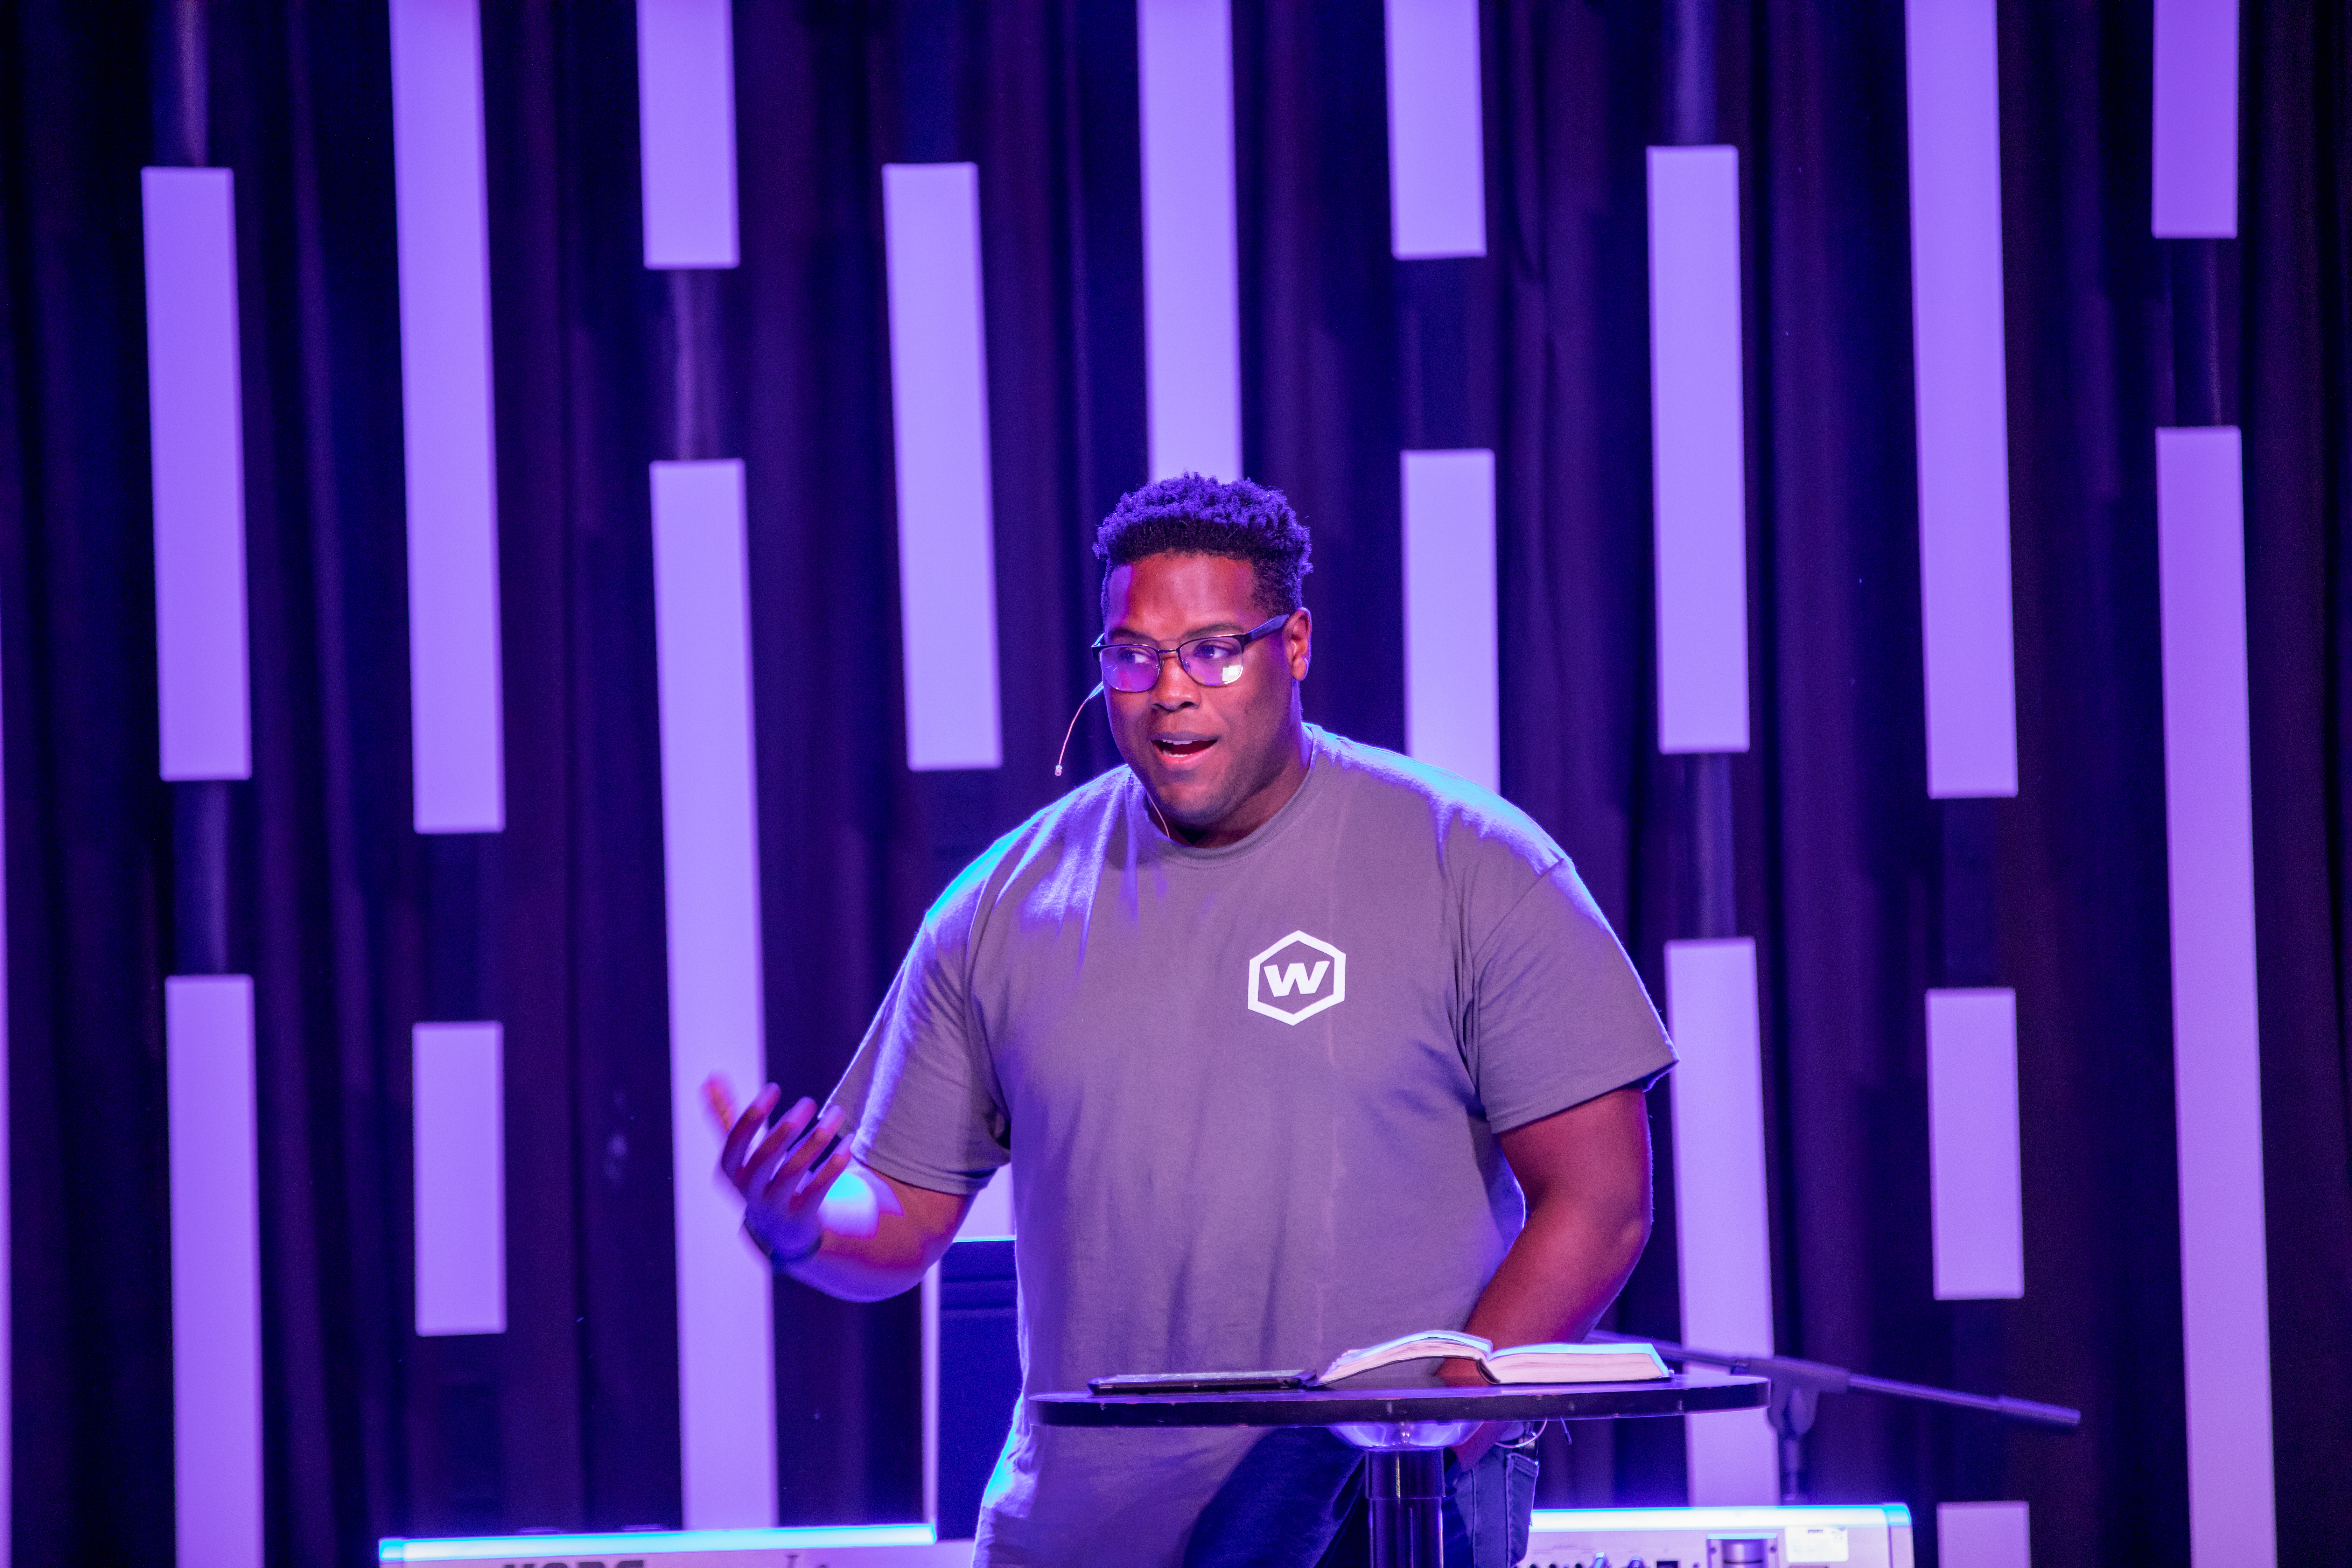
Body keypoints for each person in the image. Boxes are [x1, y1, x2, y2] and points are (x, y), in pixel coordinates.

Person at [711, 474, 1673, 1567]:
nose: (1170, 690)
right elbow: (896, 1217)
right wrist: (799, 1226)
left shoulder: (1476, 865)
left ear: (1294, 644)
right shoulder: (1001, 905)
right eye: (1133, 655)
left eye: (1215, 648)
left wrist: (1420, 1445)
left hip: (1375, 1533)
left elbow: (1601, 1202)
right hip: (1073, 1544)